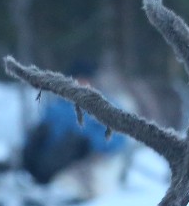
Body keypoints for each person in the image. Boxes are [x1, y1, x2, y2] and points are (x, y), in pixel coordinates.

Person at [13, 58, 129, 195]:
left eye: (84, 80)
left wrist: (88, 142)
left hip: (83, 158)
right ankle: (27, 175)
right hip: (50, 157)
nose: (80, 84)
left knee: (71, 143)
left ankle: (47, 181)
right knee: (38, 137)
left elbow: (119, 139)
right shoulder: (59, 105)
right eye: (76, 80)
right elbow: (43, 128)